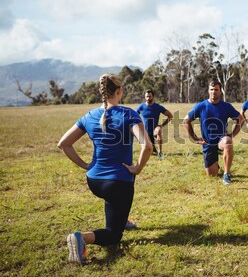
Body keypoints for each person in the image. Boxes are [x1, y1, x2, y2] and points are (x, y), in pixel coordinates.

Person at [57, 73, 152, 264]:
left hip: (94, 181)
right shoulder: (128, 114)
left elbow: (63, 144)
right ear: (119, 91)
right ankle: (80, 238)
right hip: (117, 183)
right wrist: (137, 168)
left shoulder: (89, 115)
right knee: (114, 236)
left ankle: (122, 219)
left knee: (114, 200)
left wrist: (85, 165)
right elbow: (147, 146)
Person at [183, 80, 244, 185]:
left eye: (216, 89)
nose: (213, 92)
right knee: (212, 175)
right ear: (208, 91)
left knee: (228, 141)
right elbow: (185, 121)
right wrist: (195, 139)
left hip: (221, 140)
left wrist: (232, 135)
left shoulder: (226, 106)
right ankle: (217, 166)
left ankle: (226, 174)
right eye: (211, 89)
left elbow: (241, 118)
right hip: (208, 143)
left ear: (220, 92)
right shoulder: (201, 106)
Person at [136, 90, 173, 158]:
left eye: (150, 96)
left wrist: (161, 126)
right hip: (145, 131)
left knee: (158, 130)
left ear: (153, 97)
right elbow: (134, 116)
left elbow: (170, 116)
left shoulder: (158, 107)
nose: (148, 98)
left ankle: (160, 152)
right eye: (147, 96)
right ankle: (152, 147)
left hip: (154, 130)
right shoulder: (141, 107)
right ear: (144, 97)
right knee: (150, 151)